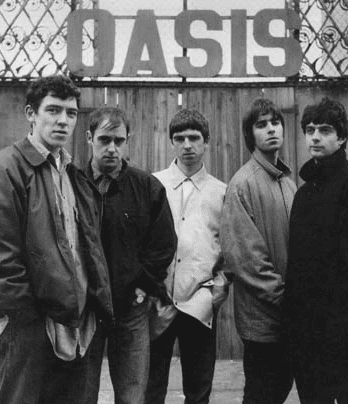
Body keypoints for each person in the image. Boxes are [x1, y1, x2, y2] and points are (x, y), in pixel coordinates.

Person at [0, 75, 114, 404]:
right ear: (31, 113)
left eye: (71, 113)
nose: (63, 121)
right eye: (53, 110)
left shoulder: (73, 173)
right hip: (30, 325)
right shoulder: (5, 168)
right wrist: (26, 317)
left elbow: (86, 250)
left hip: (76, 322)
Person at [285, 97, 348, 404]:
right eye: (310, 130)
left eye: (325, 130)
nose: (315, 137)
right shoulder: (304, 194)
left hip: (346, 337)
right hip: (308, 335)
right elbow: (297, 269)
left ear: (341, 137)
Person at [83, 107, 177, 404]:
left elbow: (164, 244)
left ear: (128, 141)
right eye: (104, 140)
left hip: (130, 309)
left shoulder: (146, 187)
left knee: (132, 395)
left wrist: (143, 285)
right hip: (85, 309)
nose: (112, 148)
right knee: (79, 393)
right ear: (89, 138)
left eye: (119, 141)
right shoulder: (73, 184)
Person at [146, 108, 229, 404]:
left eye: (194, 138)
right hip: (159, 301)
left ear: (206, 142)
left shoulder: (221, 192)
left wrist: (220, 286)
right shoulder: (153, 185)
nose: (187, 145)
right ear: (171, 142)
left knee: (198, 387)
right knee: (151, 386)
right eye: (179, 138)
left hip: (200, 301)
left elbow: (230, 246)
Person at [220, 98, 296, 404]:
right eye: (261, 125)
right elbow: (245, 258)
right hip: (262, 318)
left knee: (281, 388)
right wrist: (285, 297)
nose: (271, 129)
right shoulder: (242, 184)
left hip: (288, 314)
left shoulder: (288, 183)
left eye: (275, 122)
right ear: (250, 135)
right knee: (261, 394)